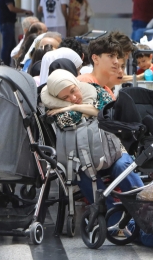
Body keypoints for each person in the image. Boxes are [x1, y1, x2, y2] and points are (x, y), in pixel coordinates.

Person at [41, 70, 143, 205]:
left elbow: (105, 112)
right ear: (57, 99)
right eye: (65, 98)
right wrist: (86, 109)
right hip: (83, 159)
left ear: (77, 84)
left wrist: (74, 107)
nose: (72, 98)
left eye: (73, 91)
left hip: (114, 151)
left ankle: (146, 212)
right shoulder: (55, 110)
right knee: (83, 176)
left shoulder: (96, 90)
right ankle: (113, 221)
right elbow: (68, 119)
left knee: (122, 166)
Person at [0, 0, 32, 67]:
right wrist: (25, 11)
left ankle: (12, 65)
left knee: (12, 46)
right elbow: (11, 8)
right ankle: (4, 66)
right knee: (7, 46)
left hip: (7, 23)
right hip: (6, 23)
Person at [78, 36, 123, 110]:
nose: (116, 61)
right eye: (111, 56)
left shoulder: (107, 90)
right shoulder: (85, 81)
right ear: (95, 58)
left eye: (117, 57)